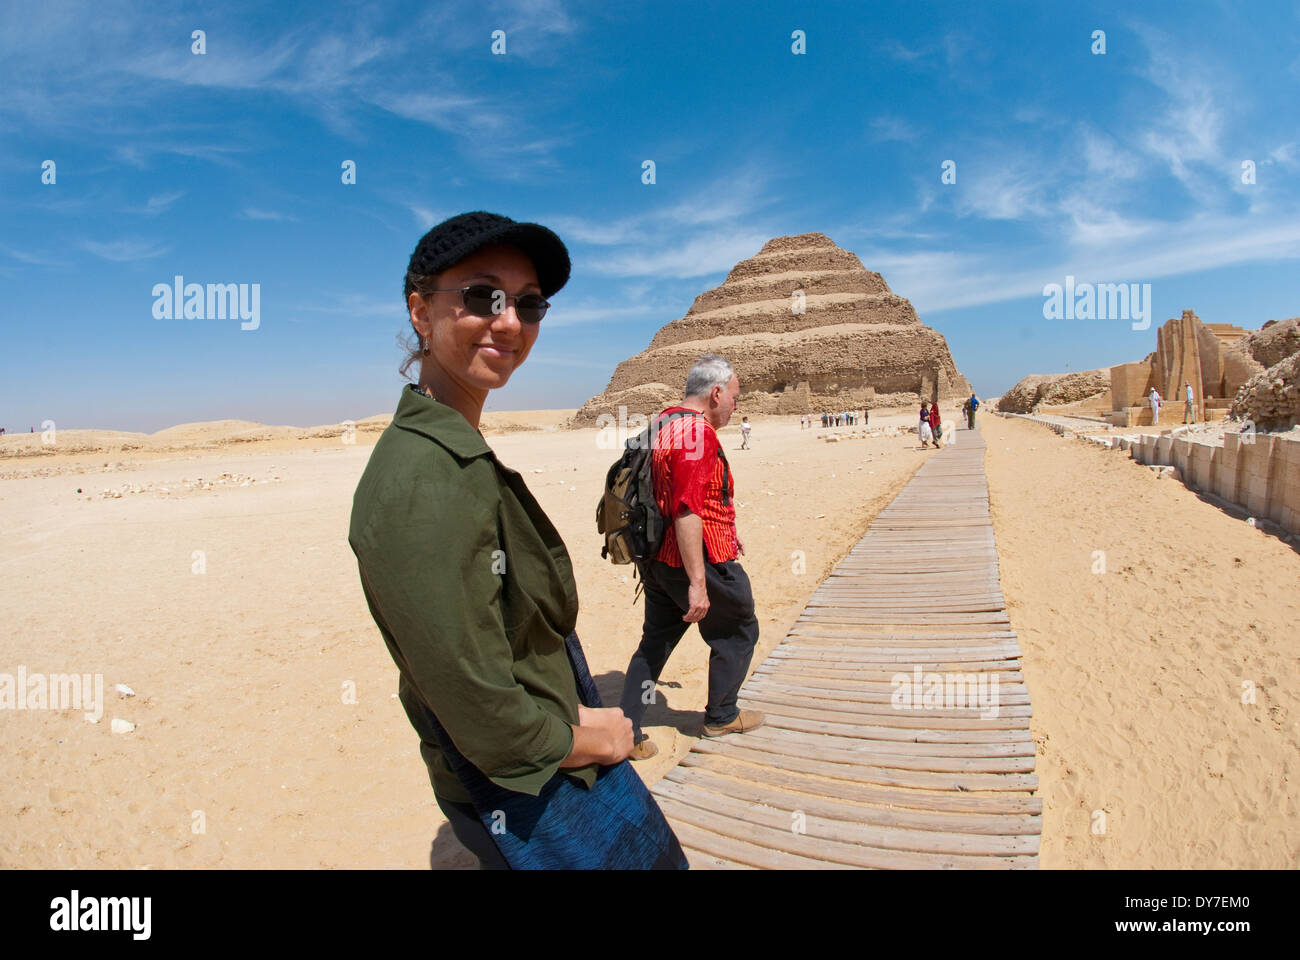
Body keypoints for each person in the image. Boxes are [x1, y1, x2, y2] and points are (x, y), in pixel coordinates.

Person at [349, 212, 642, 870]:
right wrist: (587, 737)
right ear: (421, 312)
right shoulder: (424, 479)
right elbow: (480, 710)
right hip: (522, 786)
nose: (510, 322)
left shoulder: (453, 446)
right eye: (483, 296)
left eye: (531, 303)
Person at [619, 355, 763, 761]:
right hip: (696, 560)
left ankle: (627, 731)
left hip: (654, 559)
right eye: (735, 396)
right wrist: (699, 584)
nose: (736, 405)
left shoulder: (662, 422)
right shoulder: (698, 435)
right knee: (738, 628)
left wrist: (730, 530)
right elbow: (686, 511)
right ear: (716, 392)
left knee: (655, 643)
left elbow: (672, 497)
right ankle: (721, 716)